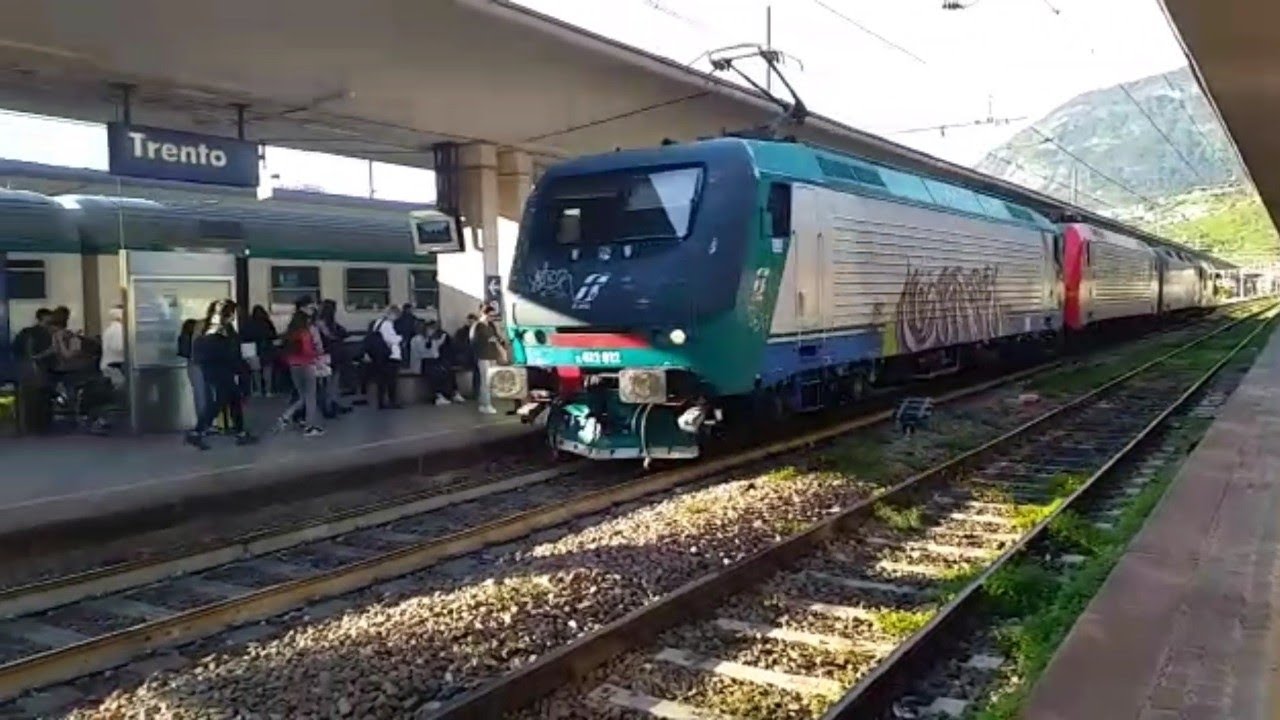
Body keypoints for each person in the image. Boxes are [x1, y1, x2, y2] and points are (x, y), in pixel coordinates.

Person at [185, 300, 256, 449]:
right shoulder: (219, 329)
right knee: (219, 402)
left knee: (232, 400)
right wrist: (240, 366)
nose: (234, 317)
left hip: (217, 369)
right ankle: (197, 432)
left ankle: (240, 432)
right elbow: (227, 350)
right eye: (233, 313)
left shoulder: (211, 327)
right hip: (220, 369)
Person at [277, 303, 325, 437]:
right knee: (310, 397)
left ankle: (286, 416)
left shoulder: (291, 332)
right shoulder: (305, 332)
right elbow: (308, 351)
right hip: (306, 365)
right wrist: (317, 357)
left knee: (302, 396)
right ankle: (309, 427)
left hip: (293, 366)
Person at [13, 308, 54, 434]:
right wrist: (48, 353)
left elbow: (17, 350)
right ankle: (39, 426)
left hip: (25, 368)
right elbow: (39, 355)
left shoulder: (26, 332)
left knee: (28, 399)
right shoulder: (44, 334)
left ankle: (27, 427)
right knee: (39, 397)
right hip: (38, 369)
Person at [178, 301, 219, 425]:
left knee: (202, 394)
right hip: (202, 364)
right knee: (204, 394)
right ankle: (205, 423)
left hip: (198, 364)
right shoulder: (204, 326)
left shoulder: (203, 325)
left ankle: (205, 423)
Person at [409, 319, 460, 405]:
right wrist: (429, 342)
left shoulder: (432, 339)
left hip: (433, 361)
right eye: (430, 329)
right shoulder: (417, 339)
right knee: (436, 371)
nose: (432, 331)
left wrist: (440, 340)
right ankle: (438, 395)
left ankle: (454, 392)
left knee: (447, 368)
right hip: (422, 362)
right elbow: (423, 352)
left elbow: (435, 351)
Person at [316, 299, 352, 416]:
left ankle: (329, 405)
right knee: (331, 382)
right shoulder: (329, 324)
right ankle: (329, 405)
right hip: (332, 355)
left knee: (327, 382)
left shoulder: (319, 323)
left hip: (326, 355)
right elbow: (340, 334)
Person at [470, 303, 507, 415]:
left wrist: (499, 342)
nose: (491, 318)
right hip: (483, 356)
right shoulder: (478, 326)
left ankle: (485, 403)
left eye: (493, 316)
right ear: (484, 314)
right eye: (490, 315)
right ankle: (485, 404)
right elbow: (477, 340)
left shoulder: (490, 326)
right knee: (485, 381)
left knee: (489, 381)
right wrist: (495, 343)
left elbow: (496, 337)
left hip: (491, 356)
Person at [366, 304, 404, 409]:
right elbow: (390, 339)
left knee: (381, 380)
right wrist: (400, 338)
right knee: (391, 380)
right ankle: (392, 401)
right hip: (390, 355)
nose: (396, 318)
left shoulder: (378, 323)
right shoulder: (387, 324)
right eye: (396, 315)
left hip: (379, 355)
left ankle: (381, 401)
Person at [241, 305, 278, 397]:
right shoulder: (267, 323)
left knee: (256, 371)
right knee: (267, 370)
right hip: (266, 349)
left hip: (253, 350)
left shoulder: (249, 324)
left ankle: (258, 390)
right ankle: (268, 390)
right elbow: (273, 335)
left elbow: (244, 336)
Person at [453, 313, 479, 399]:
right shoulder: (462, 332)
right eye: (470, 322)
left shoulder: (478, 331)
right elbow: (457, 345)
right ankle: (477, 392)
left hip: (474, 355)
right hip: (465, 356)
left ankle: (477, 391)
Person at [100, 305, 125, 389]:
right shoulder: (118, 329)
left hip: (108, 366)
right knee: (119, 389)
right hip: (115, 367)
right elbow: (119, 348)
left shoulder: (110, 329)